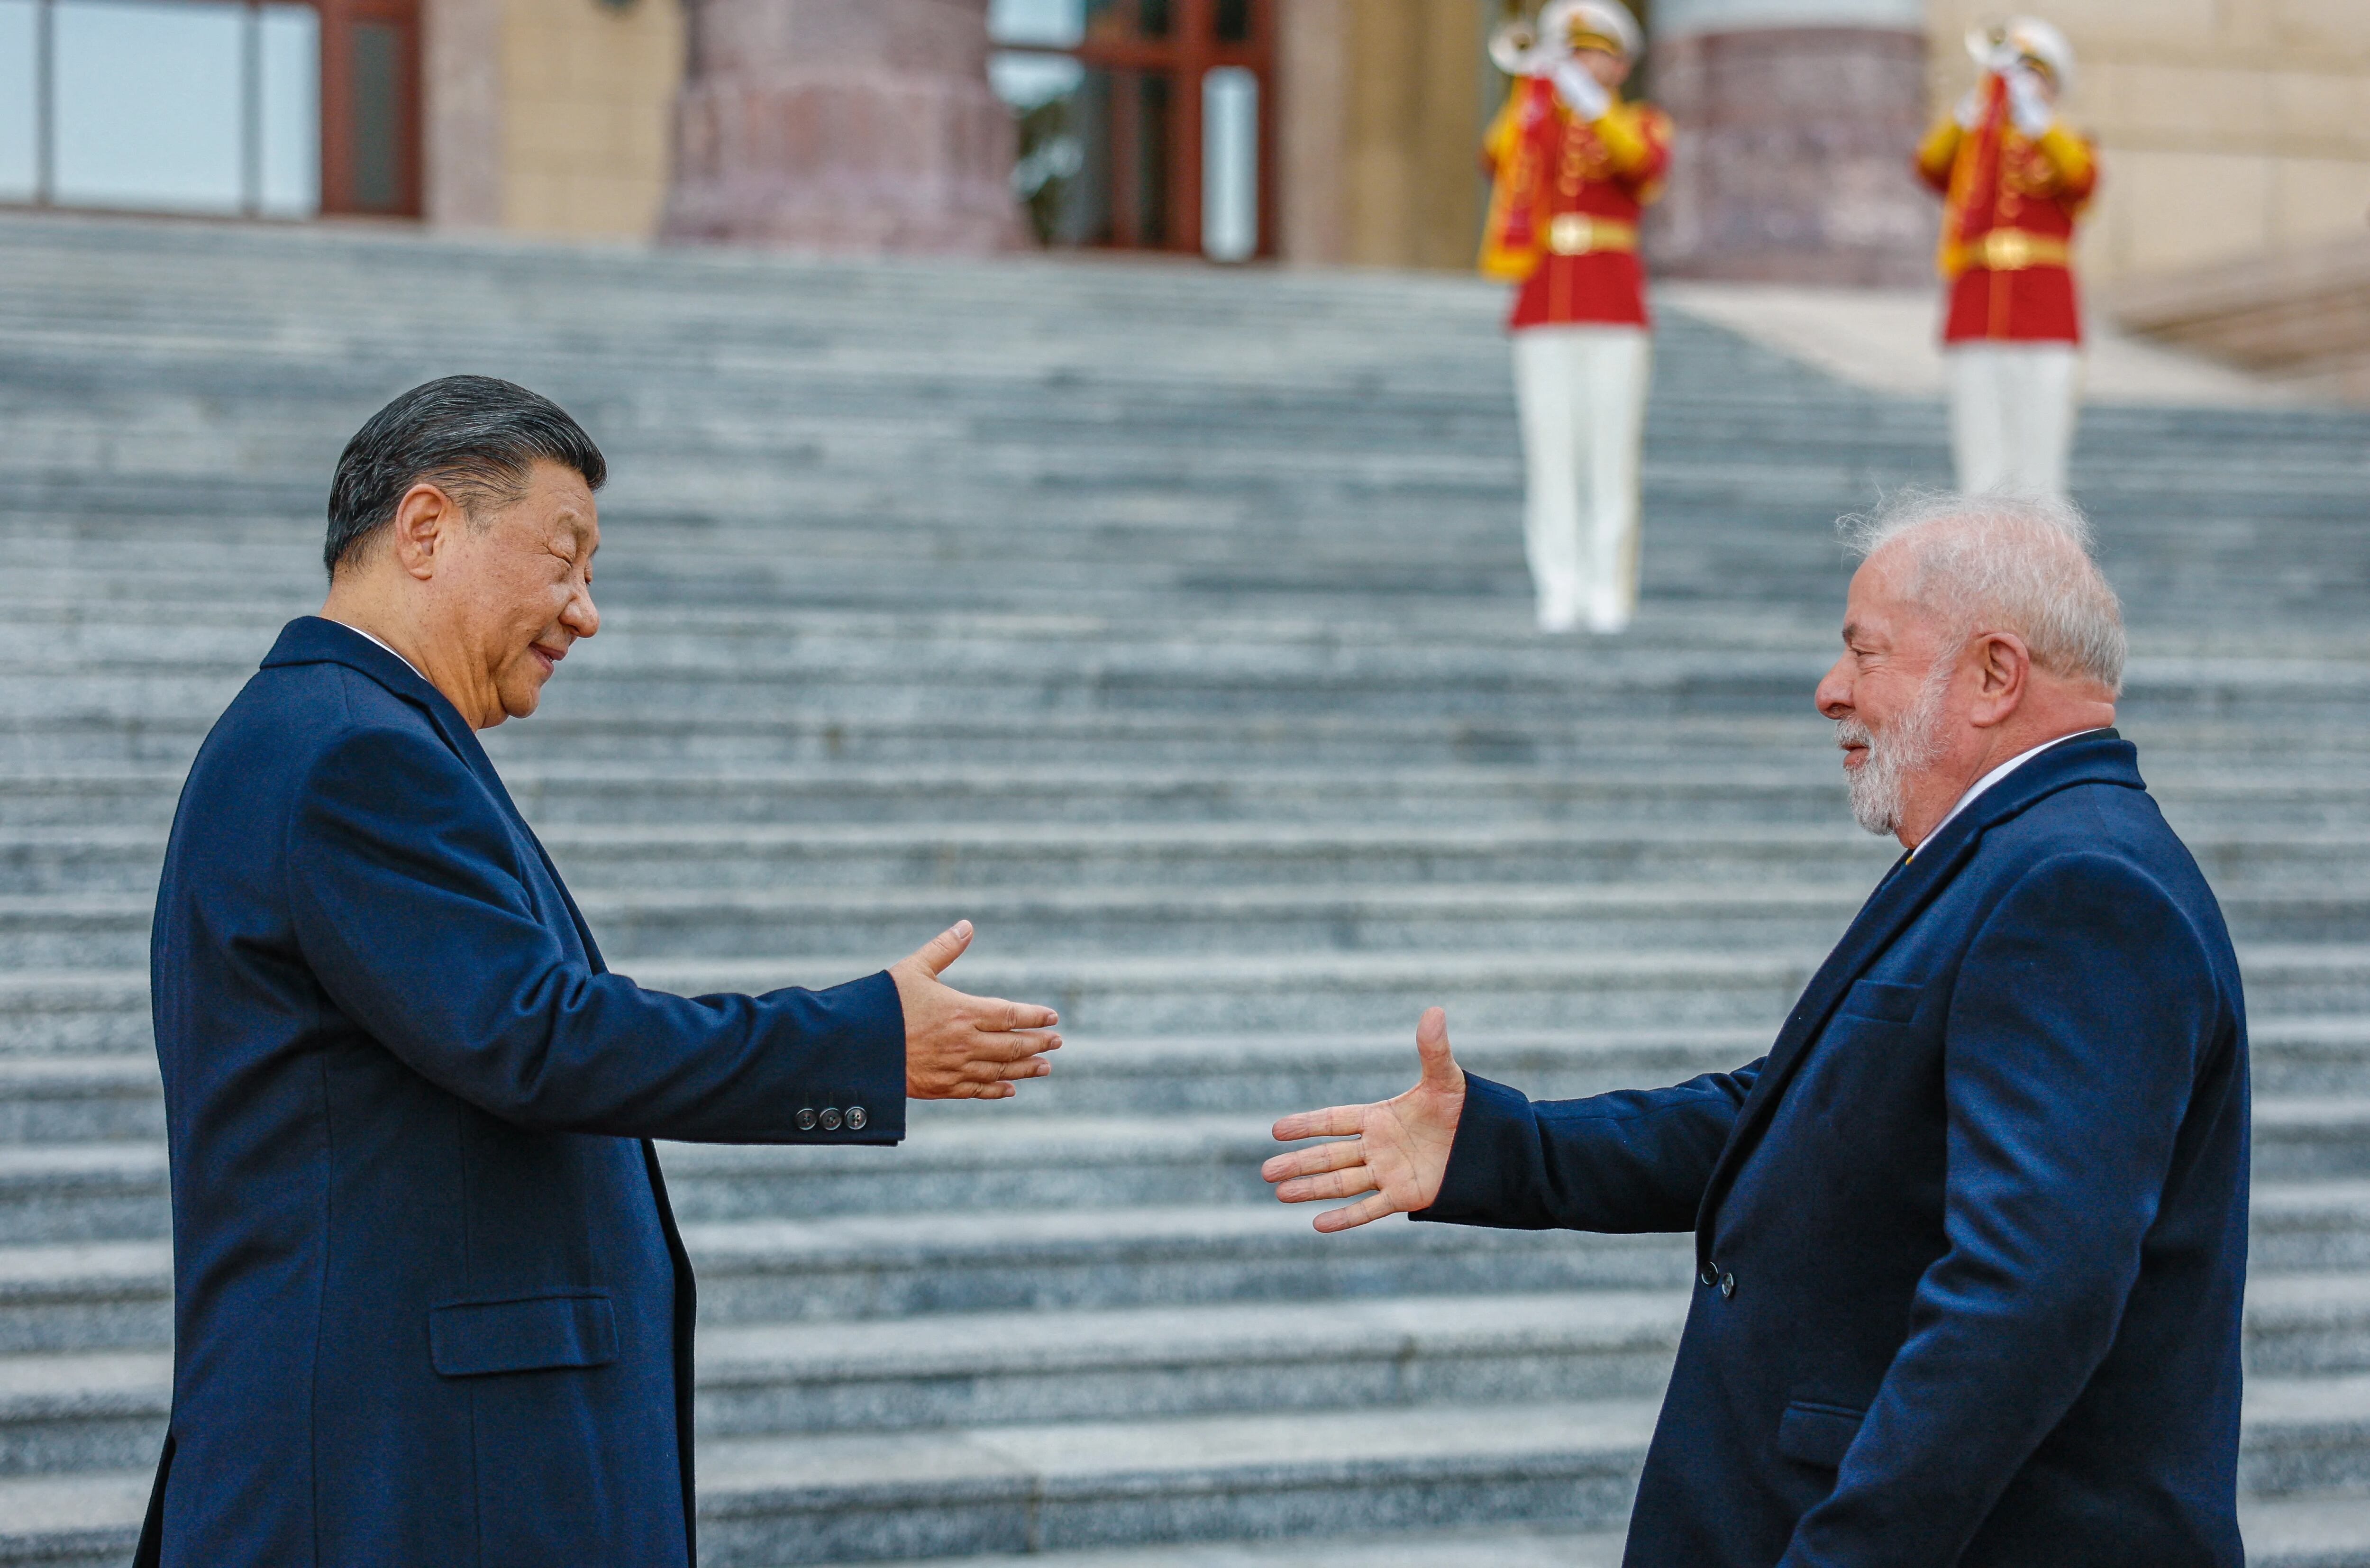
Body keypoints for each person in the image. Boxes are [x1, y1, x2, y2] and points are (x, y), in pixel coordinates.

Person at [137, 375, 1062, 1567]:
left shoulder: (347, 733)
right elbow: (540, 1036)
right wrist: (861, 1041)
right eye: (563, 558)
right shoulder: (350, 752)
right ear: (425, 530)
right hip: (398, 1476)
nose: (586, 611)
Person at [1265, 491, 2248, 1566]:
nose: (1832, 690)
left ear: (1992, 674)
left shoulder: (2080, 885)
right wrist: (1510, 1148)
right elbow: (1809, 1111)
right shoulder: (2030, 854)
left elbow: (2026, 1299)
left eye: (1863, 651)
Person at [1480, 0, 1669, 635]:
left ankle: (1608, 589)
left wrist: (1587, 100)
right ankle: (1557, 588)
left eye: (1594, 53)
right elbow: (1496, 157)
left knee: (1610, 456)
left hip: (1613, 303)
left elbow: (1641, 166)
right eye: (1573, 50)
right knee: (1550, 454)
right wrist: (1533, 85)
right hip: (1543, 301)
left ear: (1620, 65)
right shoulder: (1539, 126)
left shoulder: (1640, 122)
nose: (1581, 63)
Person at [1916, 18, 2097, 499]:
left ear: (2052, 86)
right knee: (1979, 451)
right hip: (1977, 307)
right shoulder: (1977, 148)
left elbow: (2080, 179)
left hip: (2044, 312)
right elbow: (1929, 166)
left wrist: (2038, 123)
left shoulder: (2066, 142)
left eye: (2033, 74)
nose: (2021, 84)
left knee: (2040, 454)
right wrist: (1971, 111)